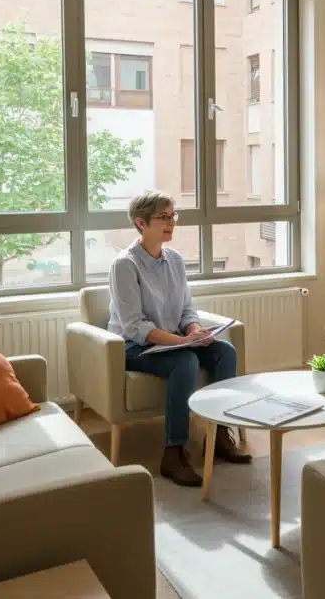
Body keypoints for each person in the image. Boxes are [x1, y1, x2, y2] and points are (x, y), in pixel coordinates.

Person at [108, 190, 251, 487]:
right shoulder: (125, 264)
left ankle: (220, 435)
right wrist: (183, 344)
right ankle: (173, 453)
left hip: (172, 341)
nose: (171, 222)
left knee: (225, 352)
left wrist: (194, 332)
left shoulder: (174, 259)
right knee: (185, 361)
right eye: (163, 217)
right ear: (141, 223)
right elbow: (135, 326)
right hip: (135, 347)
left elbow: (186, 309)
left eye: (173, 215)